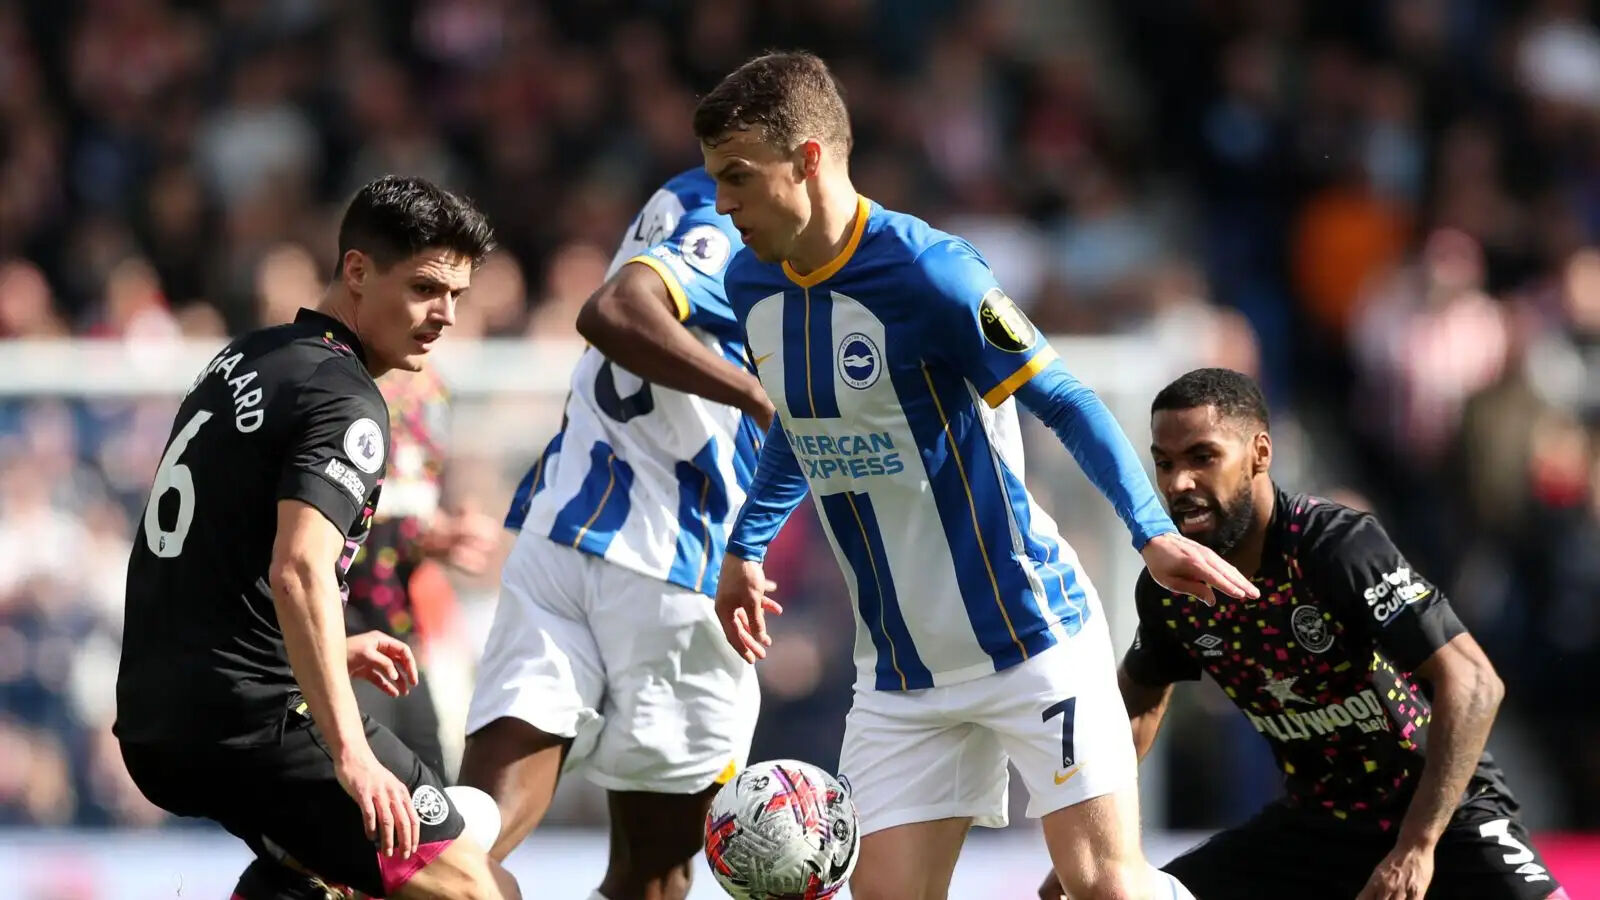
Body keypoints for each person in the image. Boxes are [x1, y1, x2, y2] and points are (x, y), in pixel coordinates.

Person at [697, 51, 1257, 900]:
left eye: (737, 177)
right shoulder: (748, 282)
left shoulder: (930, 272)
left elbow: (1063, 396)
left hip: (1030, 636)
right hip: (898, 676)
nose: (723, 202)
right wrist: (748, 546)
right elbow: (803, 422)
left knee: (1105, 886)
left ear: (809, 158)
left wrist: (1150, 532)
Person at [115, 175, 517, 900]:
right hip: (250, 716)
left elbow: (218, 548)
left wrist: (324, 647)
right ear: (357, 270)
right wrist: (350, 751)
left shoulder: (248, 357)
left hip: (159, 714)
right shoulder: (346, 398)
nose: (445, 316)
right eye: (426, 288)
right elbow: (300, 568)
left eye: (457, 296)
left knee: (320, 880)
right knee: (478, 890)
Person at [1038, 367, 1567, 900]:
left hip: (1442, 816)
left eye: (1202, 457)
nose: (1179, 484)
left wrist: (1417, 846)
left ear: (1260, 454)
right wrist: (1091, 845)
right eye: (1165, 463)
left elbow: (1475, 682)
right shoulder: (1172, 586)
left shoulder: (1335, 548)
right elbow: (1135, 712)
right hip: (1315, 829)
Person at [458, 166, 772, 900]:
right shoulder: (733, 222)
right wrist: (758, 397)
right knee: (652, 879)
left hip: (562, 532)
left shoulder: (680, 192)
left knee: (468, 837)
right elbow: (615, 308)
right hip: (673, 563)